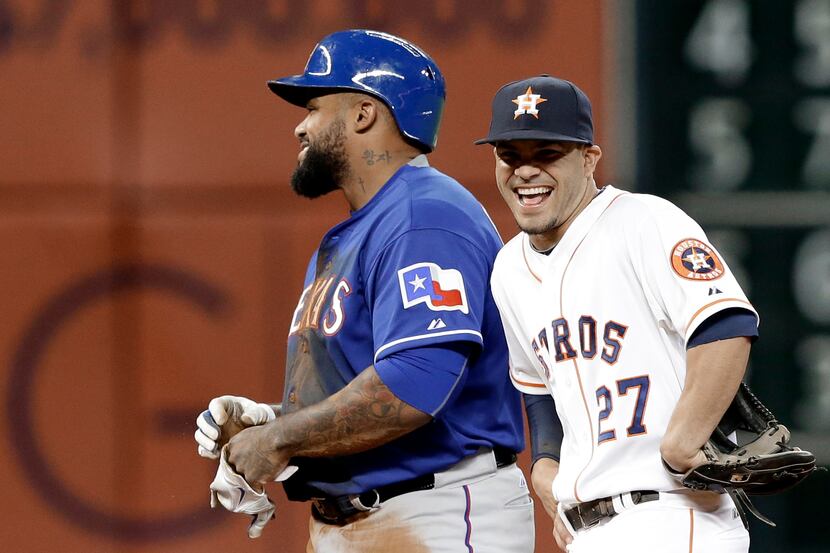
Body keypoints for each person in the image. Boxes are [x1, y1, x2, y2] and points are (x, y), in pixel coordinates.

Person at [194, 30, 534, 552]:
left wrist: (279, 439)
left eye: (313, 106)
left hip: (436, 512)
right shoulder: (367, 227)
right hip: (365, 516)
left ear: (363, 115)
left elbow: (413, 386)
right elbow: (366, 386)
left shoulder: (424, 216)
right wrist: (272, 422)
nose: (299, 125)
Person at [475, 75, 759, 552]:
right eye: (511, 155)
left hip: (673, 514)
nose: (525, 171)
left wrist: (681, 442)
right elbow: (537, 386)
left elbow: (726, 324)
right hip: (588, 528)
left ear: (589, 159)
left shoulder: (644, 221)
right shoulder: (508, 267)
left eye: (546, 154)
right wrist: (545, 461)